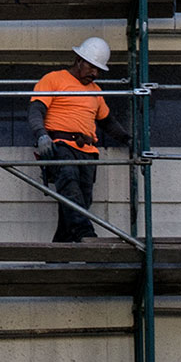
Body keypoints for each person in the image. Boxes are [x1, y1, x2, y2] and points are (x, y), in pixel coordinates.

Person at [28, 37, 131, 243]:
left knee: (78, 203)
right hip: (61, 146)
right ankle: (88, 237)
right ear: (78, 60)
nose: (94, 73)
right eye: (91, 67)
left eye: (98, 70)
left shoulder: (96, 91)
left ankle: (58, 258)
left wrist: (129, 140)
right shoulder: (54, 79)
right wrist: (41, 134)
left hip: (87, 152)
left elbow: (108, 122)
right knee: (69, 183)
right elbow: (36, 110)